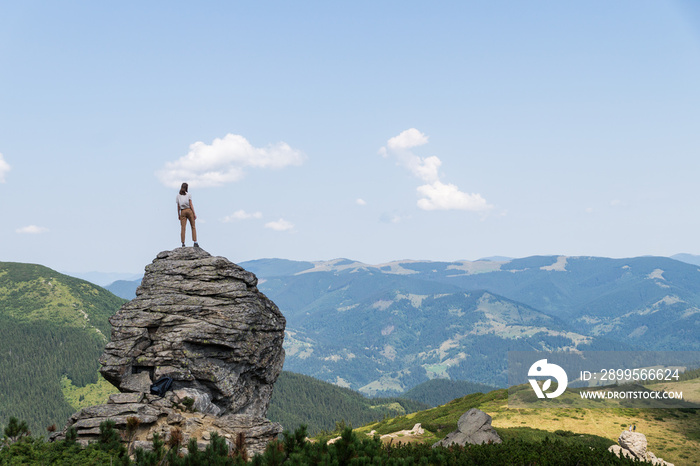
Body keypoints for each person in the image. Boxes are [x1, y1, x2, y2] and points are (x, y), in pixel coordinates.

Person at [176, 182, 199, 248]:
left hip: (182, 211)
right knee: (193, 226)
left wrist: (179, 214)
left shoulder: (178, 196)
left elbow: (178, 206)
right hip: (189, 210)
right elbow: (191, 204)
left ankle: (183, 243)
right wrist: (194, 213)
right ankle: (195, 242)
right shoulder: (188, 195)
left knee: (183, 228)